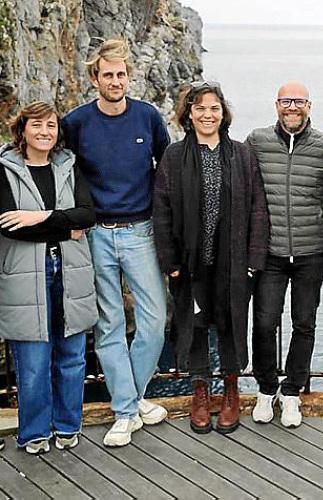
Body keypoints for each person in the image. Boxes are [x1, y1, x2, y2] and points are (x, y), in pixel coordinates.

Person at [62, 38, 170, 447]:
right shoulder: (76, 122)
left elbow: (166, 168)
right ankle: (127, 412)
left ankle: (130, 400)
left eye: (121, 74)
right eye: (107, 75)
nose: (115, 81)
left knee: (154, 321)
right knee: (109, 323)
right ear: (95, 78)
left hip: (141, 230)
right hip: (96, 235)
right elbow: (61, 169)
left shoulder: (147, 116)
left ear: (128, 76)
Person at [153, 82, 269, 434]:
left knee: (232, 323)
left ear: (223, 113)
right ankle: (201, 392)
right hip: (191, 263)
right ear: (189, 114)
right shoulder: (174, 157)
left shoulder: (241, 155)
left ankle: (231, 390)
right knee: (196, 325)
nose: (208, 114)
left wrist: (254, 259)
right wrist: (170, 263)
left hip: (233, 261)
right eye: (200, 108)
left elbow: (258, 208)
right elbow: (162, 210)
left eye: (214, 108)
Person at [0, 101, 97, 454]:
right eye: (37, 125)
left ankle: (68, 426)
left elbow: (87, 215)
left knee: (72, 356)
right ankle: (35, 432)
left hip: (71, 271)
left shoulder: (69, 165)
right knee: (33, 363)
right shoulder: (4, 169)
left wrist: (38, 217)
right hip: (25, 276)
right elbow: (10, 226)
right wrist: (63, 227)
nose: (44, 132)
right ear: (22, 130)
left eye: (51, 125)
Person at [246, 82, 323, 428]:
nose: (292, 107)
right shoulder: (257, 141)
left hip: (312, 250)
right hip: (270, 252)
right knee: (264, 322)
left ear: (309, 105)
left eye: (298, 101)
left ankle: (293, 391)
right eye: (286, 101)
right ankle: (266, 388)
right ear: (277, 105)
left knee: (304, 323)